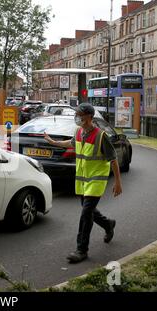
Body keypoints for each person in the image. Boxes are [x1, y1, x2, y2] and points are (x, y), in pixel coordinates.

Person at [44, 103, 123, 263]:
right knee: (89, 211)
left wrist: (118, 183)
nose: (77, 117)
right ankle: (108, 224)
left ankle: (81, 250)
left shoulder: (101, 136)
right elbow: (71, 143)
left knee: (86, 213)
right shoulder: (79, 132)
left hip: (96, 180)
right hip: (83, 180)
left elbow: (113, 160)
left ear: (89, 116)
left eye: (79, 114)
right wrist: (53, 142)